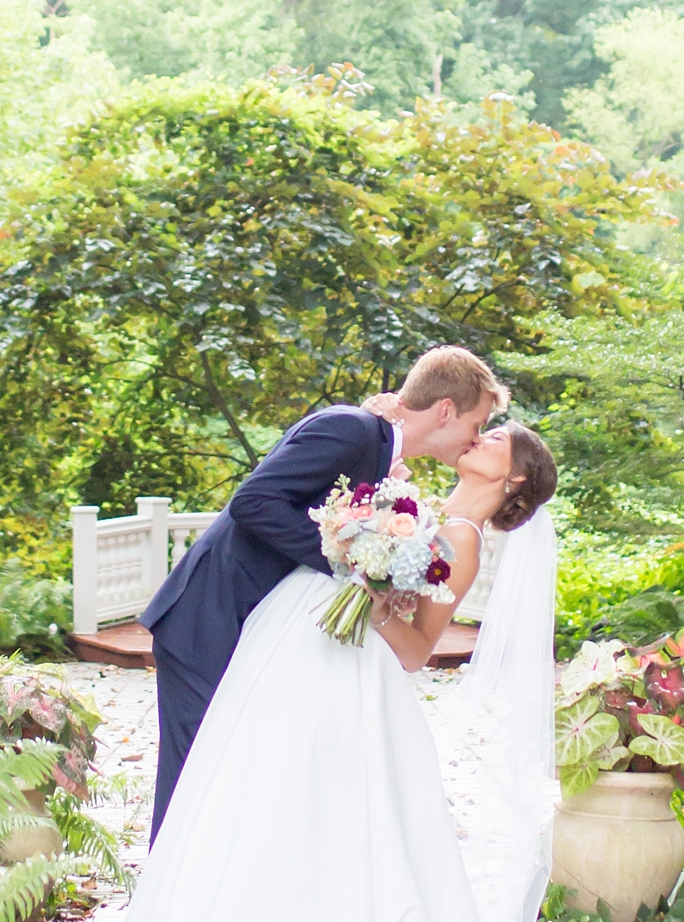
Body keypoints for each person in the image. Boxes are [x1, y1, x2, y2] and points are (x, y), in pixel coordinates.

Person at [118, 419, 665, 922]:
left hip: (353, 677)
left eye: (497, 440)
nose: (480, 438)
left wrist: (369, 595)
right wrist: (360, 559)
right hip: (308, 654)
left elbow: (415, 649)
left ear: (514, 477)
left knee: (318, 817)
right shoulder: (428, 510)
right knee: (275, 803)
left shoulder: (461, 540)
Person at [139, 343, 504, 839]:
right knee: (193, 779)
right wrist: (350, 559)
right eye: (476, 424)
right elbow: (254, 502)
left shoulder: (377, 453)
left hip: (252, 628)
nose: (474, 438)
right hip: (208, 618)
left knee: (226, 776)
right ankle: (166, 910)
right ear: (445, 410)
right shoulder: (352, 430)